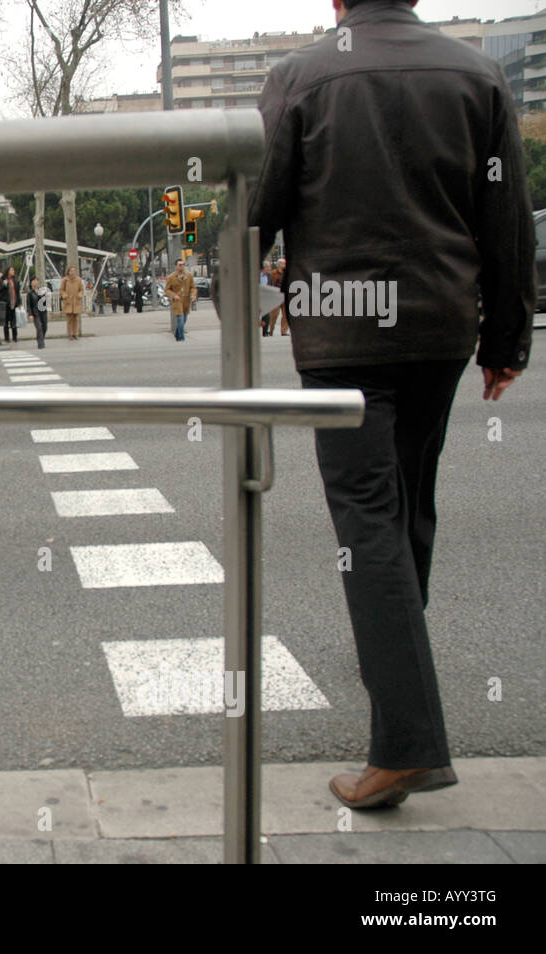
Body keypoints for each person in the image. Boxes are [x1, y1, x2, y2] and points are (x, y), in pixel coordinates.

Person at [248, 0, 532, 810]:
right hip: (440, 323)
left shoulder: (299, 77)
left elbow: (255, 208)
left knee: (367, 518)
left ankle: (405, 742)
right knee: (409, 506)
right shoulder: (477, 75)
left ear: (336, 2)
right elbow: (506, 217)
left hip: (345, 332)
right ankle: (396, 660)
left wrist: (238, 275)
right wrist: (506, 338)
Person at [164, 259, 196, 341]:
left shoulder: (189, 275)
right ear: (176, 266)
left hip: (186, 300)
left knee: (184, 319)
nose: (182, 266)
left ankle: (177, 334)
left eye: (183, 264)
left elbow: (193, 287)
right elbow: (167, 290)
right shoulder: (171, 277)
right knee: (180, 319)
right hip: (177, 301)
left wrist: (193, 295)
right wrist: (174, 295)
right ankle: (181, 338)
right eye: (180, 265)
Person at [0, 265, 21, 346]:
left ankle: (15, 337)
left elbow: (17, 292)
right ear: (8, 271)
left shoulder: (15, 280)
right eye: (12, 270)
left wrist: (19, 302)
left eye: (13, 270)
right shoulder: (3, 280)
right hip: (6, 304)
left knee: (14, 321)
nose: (13, 271)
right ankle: (7, 338)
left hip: (13, 302)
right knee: (6, 322)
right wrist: (3, 285)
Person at [60, 266, 83, 340]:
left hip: (76, 301)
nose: (73, 272)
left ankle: (75, 334)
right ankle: (70, 334)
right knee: (69, 319)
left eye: (74, 271)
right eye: (71, 271)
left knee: (75, 318)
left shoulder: (78, 280)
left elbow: (81, 289)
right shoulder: (65, 280)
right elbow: (61, 290)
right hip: (68, 302)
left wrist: (80, 294)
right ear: (68, 272)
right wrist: (64, 295)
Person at [27, 276, 49, 349]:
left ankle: (40, 338)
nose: (36, 282)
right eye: (34, 280)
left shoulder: (41, 290)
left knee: (44, 327)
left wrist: (43, 295)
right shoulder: (30, 293)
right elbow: (29, 305)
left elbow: (44, 302)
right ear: (31, 282)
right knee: (39, 327)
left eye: (37, 280)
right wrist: (30, 314)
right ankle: (41, 344)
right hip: (35, 313)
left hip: (43, 311)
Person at [259, 261, 273, 336]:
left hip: (266, 298)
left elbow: (271, 286)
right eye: (268, 267)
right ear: (264, 267)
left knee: (267, 315)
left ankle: (265, 332)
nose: (270, 268)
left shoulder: (269, 275)